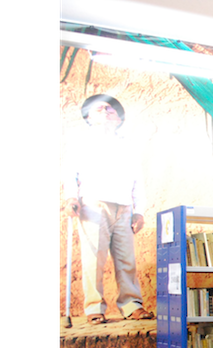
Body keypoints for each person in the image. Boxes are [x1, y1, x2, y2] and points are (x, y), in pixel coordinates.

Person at [63, 94, 153, 324]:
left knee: (127, 260)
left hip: (124, 208)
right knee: (93, 259)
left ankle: (132, 305)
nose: (106, 110)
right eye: (99, 108)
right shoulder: (81, 143)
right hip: (93, 205)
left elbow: (138, 180)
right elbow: (70, 174)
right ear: (89, 117)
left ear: (118, 118)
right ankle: (94, 308)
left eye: (110, 109)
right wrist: (71, 197)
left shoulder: (127, 145)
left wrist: (139, 211)